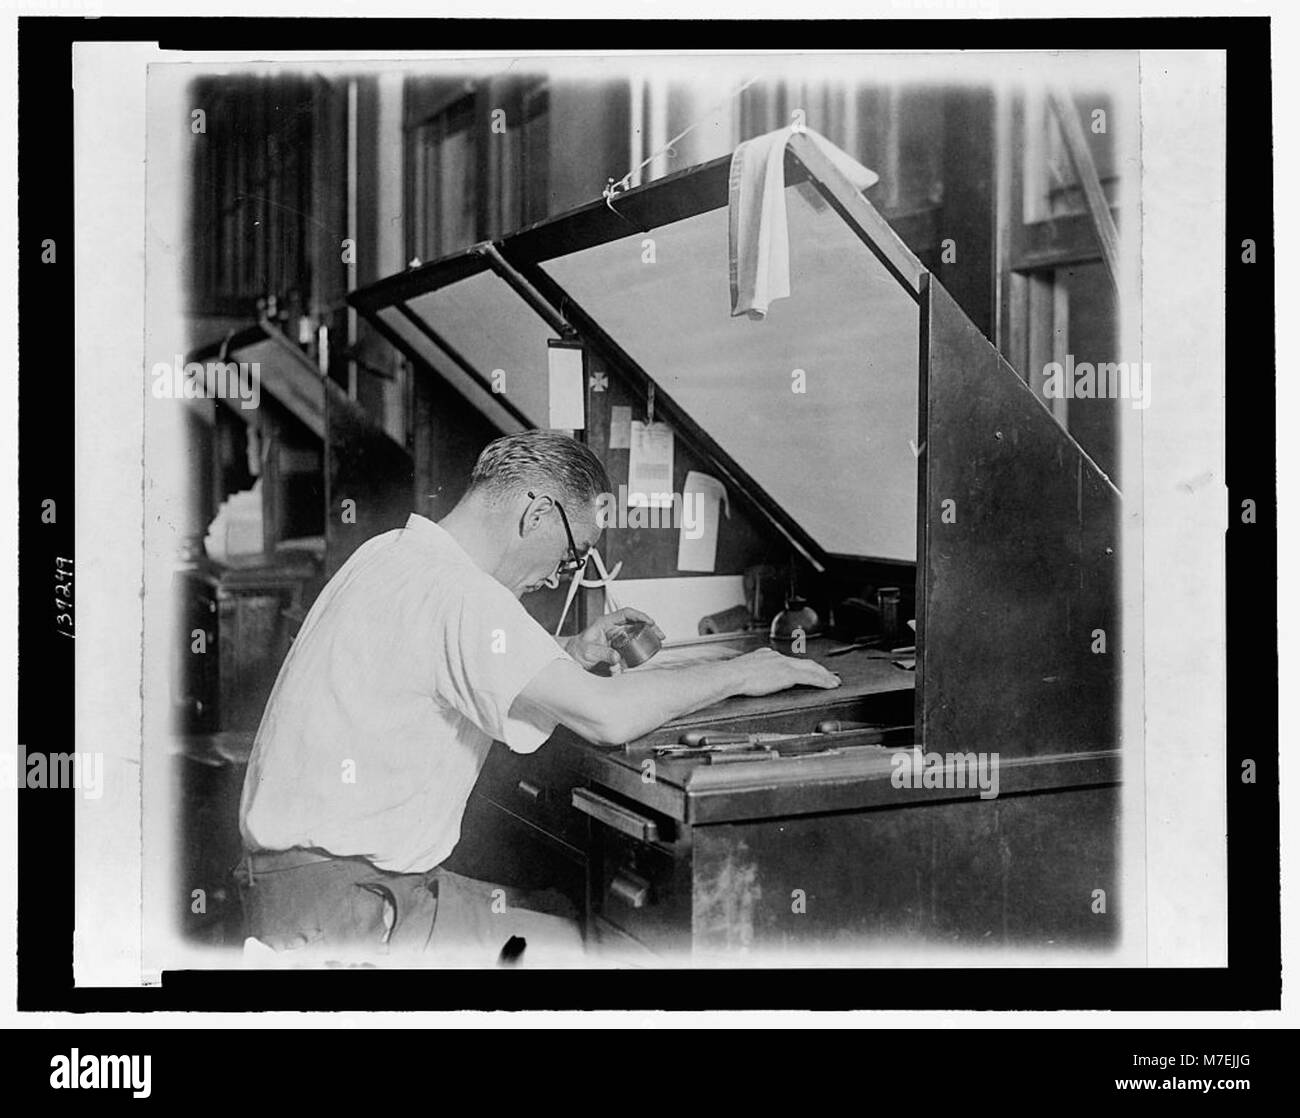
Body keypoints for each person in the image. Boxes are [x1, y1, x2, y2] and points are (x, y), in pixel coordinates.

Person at [236, 430, 839, 964]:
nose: (558, 575)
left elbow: (448, 667)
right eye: (572, 555)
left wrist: (567, 658)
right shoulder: (464, 595)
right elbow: (608, 716)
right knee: (590, 948)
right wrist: (741, 670)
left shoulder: (392, 553)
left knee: (551, 908)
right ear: (538, 514)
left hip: (301, 893)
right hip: (355, 915)